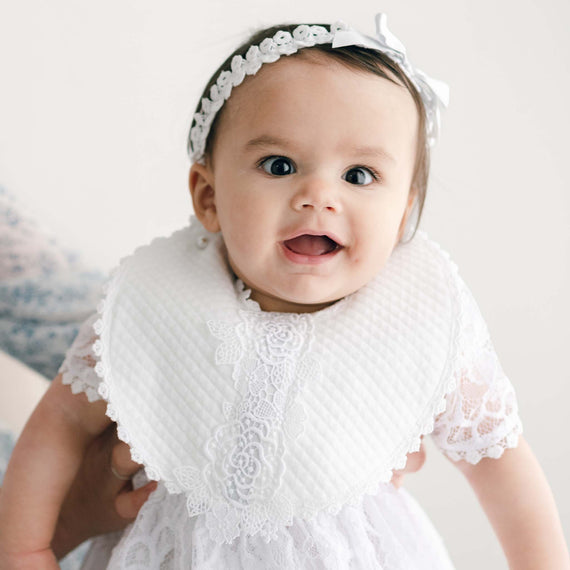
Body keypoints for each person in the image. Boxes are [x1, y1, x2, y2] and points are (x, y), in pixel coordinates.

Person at [0, 12, 568, 569]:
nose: (318, 195)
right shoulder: (157, 299)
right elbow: (64, 424)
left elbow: (497, 457)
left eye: (360, 175)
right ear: (208, 196)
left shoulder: (422, 315)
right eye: (279, 164)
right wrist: (24, 549)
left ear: (403, 216)